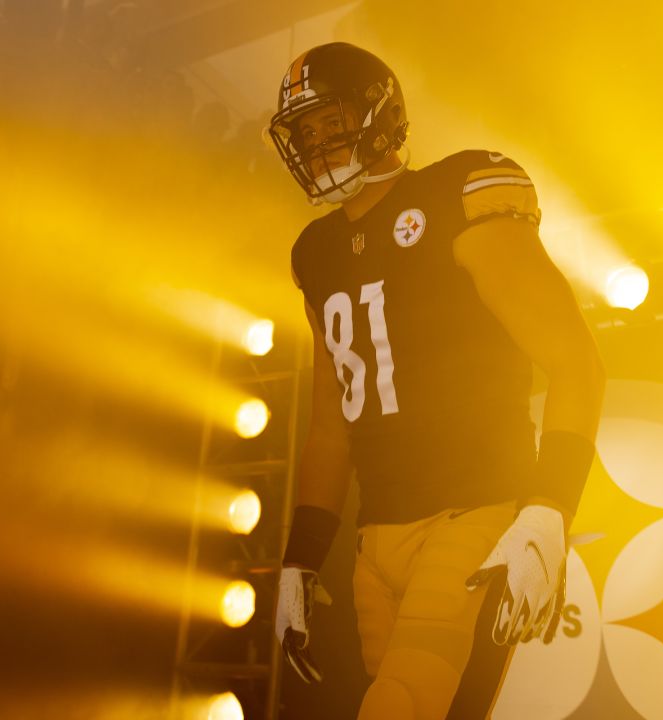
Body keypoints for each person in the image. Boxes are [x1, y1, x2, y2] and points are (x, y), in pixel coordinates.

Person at [269, 42, 605, 719]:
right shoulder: (318, 252)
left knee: (399, 706)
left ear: (378, 114)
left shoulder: (459, 193)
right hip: (377, 535)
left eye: (331, 124)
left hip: (475, 509)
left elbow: (576, 360)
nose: (319, 145)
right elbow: (334, 422)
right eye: (306, 133)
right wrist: (302, 558)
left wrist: (549, 509)